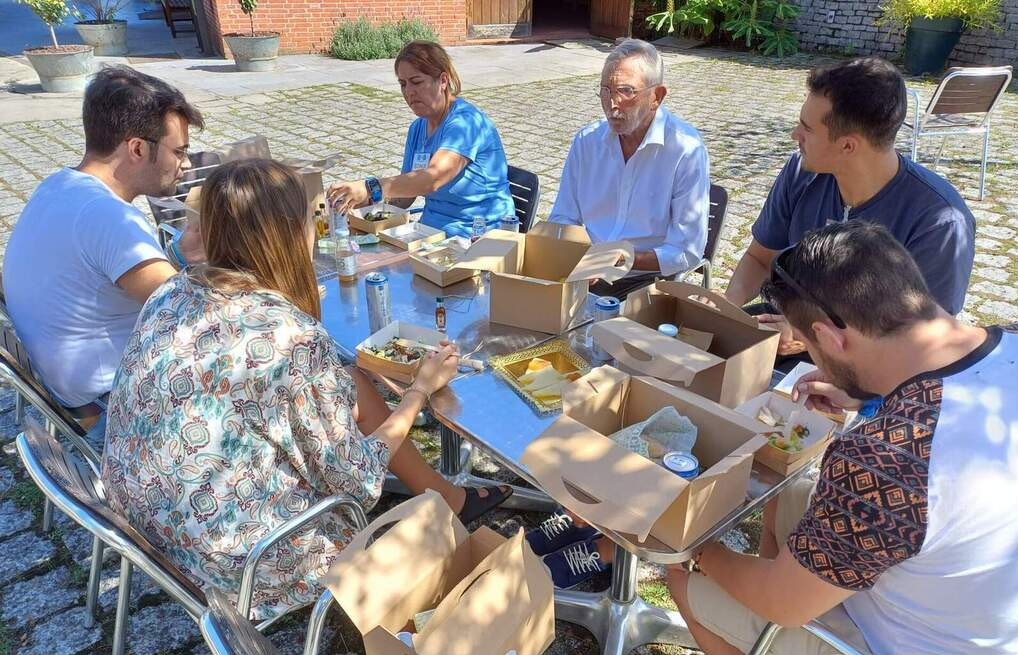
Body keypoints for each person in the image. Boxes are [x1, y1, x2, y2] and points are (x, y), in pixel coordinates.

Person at [667, 220, 1018, 655]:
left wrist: (697, 550)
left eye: (807, 345)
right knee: (795, 496)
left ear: (833, 337)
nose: (811, 358)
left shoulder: (887, 460)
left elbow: (781, 605)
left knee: (684, 583)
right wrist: (870, 400)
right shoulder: (1010, 348)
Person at [100, 158, 511, 621]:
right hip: (238, 561)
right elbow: (355, 479)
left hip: (142, 518)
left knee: (348, 381)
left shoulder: (171, 292)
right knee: (349, 419)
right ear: (291, 235)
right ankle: (444, 507)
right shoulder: (291, 338)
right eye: (311, 216)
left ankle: (446, 496)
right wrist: (418, 391)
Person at [724, 57, 975, 360]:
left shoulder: (939, 221)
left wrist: (814, 334)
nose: (794, 135)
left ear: (847, 146)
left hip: (871, 365)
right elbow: (760, 258)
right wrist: (726, 311)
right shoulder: (801, 172)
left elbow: (925, 338)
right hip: (784, 327)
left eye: (806, 128)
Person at [2, 66, 205, 436]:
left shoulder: (61, 185)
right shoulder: (107, 216)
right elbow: (192, 313)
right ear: (138, 148)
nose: (186, 164)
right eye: (179, 151)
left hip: (73, 394)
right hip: (115, 412)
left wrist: (177, 253)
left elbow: (110, 276)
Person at [548, 38, 709, 300]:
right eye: (606, 90)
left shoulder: (685, 149)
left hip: (647, 280)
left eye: (626, 91)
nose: (612, 104)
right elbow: (563, 218)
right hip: (585, 270)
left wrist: (621, 259)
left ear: (656, 96)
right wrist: (581, 254)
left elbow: (687, 251)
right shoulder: (587, 141)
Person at [327, 41, 514, 239]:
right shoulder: (418, 128)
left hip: (478, 235)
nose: (409, 92)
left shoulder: (466, 123)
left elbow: (433, 178)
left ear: (443, 81)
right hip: (432, 233)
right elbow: (406, 196)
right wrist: (357, 203)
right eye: (402, 84)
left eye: (416, 82)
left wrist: (369, 188)